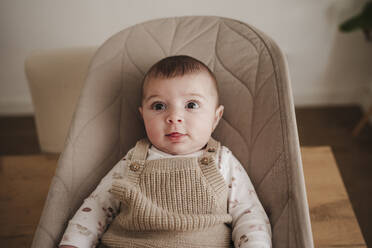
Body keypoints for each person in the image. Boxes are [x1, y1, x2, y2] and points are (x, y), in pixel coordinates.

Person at [59, 55, 272, 248]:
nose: (174, 117)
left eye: (191, 104)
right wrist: (74, 243)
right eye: (159, 106)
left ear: (215, 118)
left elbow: (249, 214)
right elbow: (97, 206)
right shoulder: (133, 161)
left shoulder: (222, 161)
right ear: (143, 116)